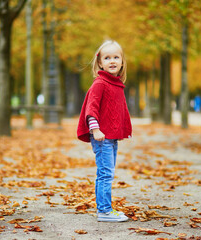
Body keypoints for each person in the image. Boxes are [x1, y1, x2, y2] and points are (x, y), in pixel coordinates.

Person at [77, 40, 132, 222]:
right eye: (107, 58)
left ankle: (105, 209)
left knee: (107, 172)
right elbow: (91, 109)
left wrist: (121, 130)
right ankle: (104, 211)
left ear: (122, 61)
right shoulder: (100, 83)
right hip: (101, 137)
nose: (112, 61)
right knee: (105, 173)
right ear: (100, 62)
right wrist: (96, 130)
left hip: (110, 137)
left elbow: (118, 110)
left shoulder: (116, 84)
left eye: (116, 57)